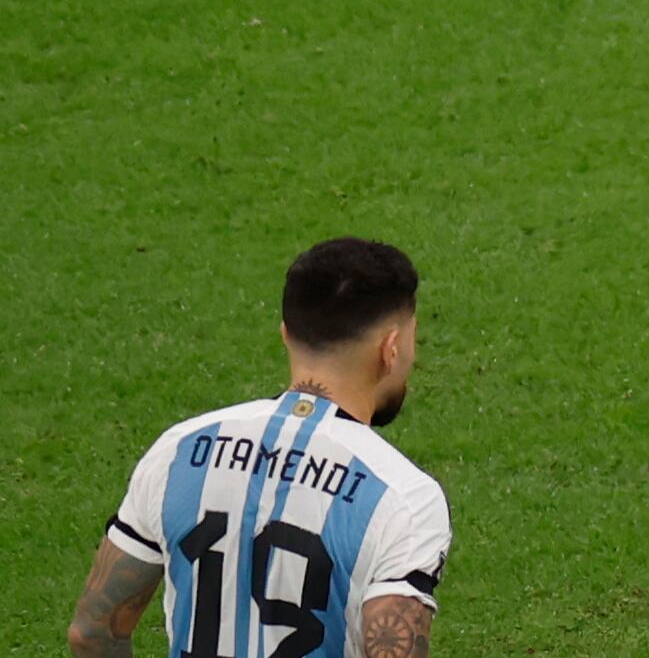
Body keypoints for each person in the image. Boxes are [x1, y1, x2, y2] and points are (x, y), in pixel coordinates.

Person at [69, 238, 450, 658]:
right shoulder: (402, 497)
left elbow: (92, 633)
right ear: (390, 348)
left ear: (286, 334)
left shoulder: (178, 451)